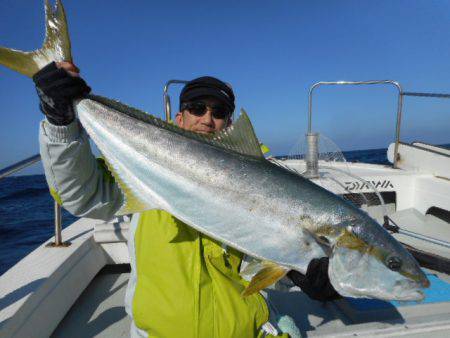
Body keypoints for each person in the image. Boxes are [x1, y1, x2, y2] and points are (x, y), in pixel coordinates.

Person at [33, 61, 340, 338]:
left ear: (230, 127)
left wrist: (302, 272)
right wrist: (61, 124)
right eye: (197, 108)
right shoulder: (143, 171)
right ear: (179, 118)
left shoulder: (265, 186)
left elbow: (262, 266)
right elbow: (79, 194)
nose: (207, 119)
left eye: (219, 113)